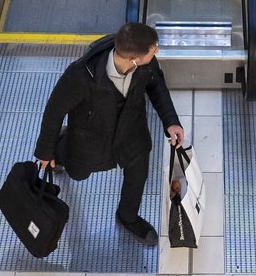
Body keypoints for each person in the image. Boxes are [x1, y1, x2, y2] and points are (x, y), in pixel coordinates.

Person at [34, 23, 183, 247]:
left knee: (138, 173)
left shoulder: (147, 65)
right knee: (77, 173)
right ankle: (60, 148)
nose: (157, 51)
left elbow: (156, 86)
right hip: (91, 138)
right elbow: (55, 110)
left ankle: (128, 216)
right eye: (153, 49)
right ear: (134, 59)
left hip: (132, 133)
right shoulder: (81, 75)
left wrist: (171, 121)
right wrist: (46, 151)